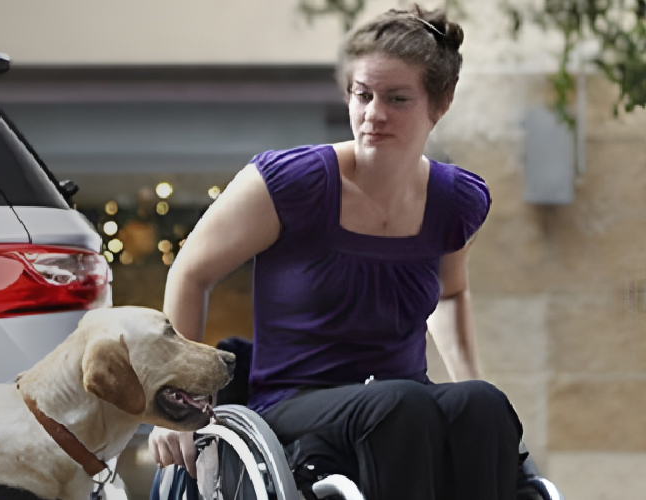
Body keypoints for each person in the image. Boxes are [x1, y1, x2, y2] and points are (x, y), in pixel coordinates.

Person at [147, 5, 524, 500]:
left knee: (484, 405)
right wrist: (177, 408)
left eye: (397, 98)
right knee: (400, 403)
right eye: (362, 95)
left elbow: (450, 294)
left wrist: (467, 385)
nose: (373, 114)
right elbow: (191, 273)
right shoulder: (290, 183)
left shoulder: (455, 201)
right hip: (293, 402)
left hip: (400, 400)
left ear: (441, 101)